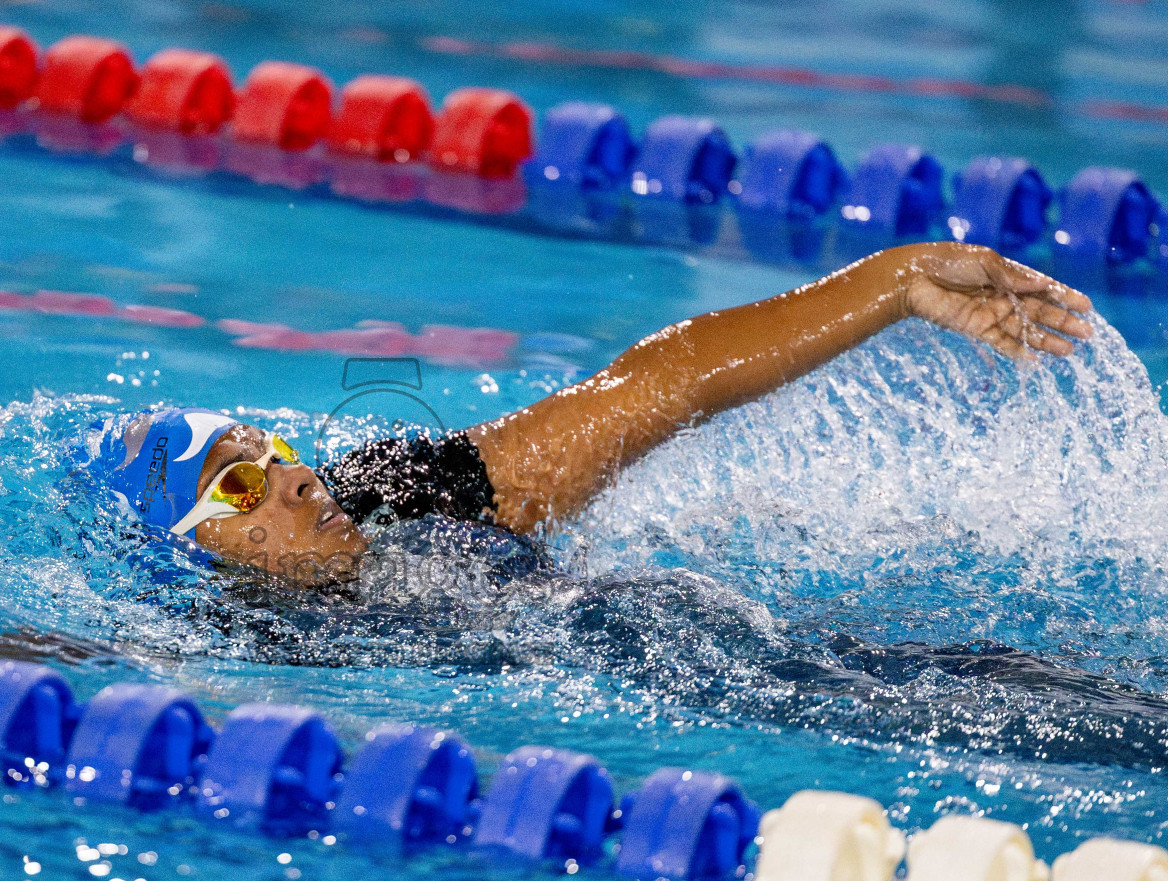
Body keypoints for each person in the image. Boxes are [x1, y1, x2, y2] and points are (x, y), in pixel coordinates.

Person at [86, 242, 1092, 585]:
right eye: (239, 483)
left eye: (280, 454)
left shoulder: (398, 495)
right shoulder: (220, 646)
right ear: (192, 547)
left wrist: (895, 281)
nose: (300, 478)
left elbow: (655, 386)